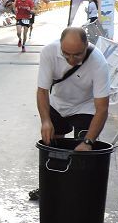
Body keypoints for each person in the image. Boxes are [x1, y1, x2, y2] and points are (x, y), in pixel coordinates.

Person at [28, 27, 111, 201]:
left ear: (86, 46)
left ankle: (78, 191)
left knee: (83, 153)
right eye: (66, 54)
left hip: (86, 108)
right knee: (53, 148)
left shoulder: (98, 62)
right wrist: (45, 121)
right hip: (58, 104)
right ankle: (49, 186)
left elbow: (102, 108)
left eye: (77, 55)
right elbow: (42, 90)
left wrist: (88, 141)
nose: (71, 60)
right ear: (60, 46)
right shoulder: (49, 52)